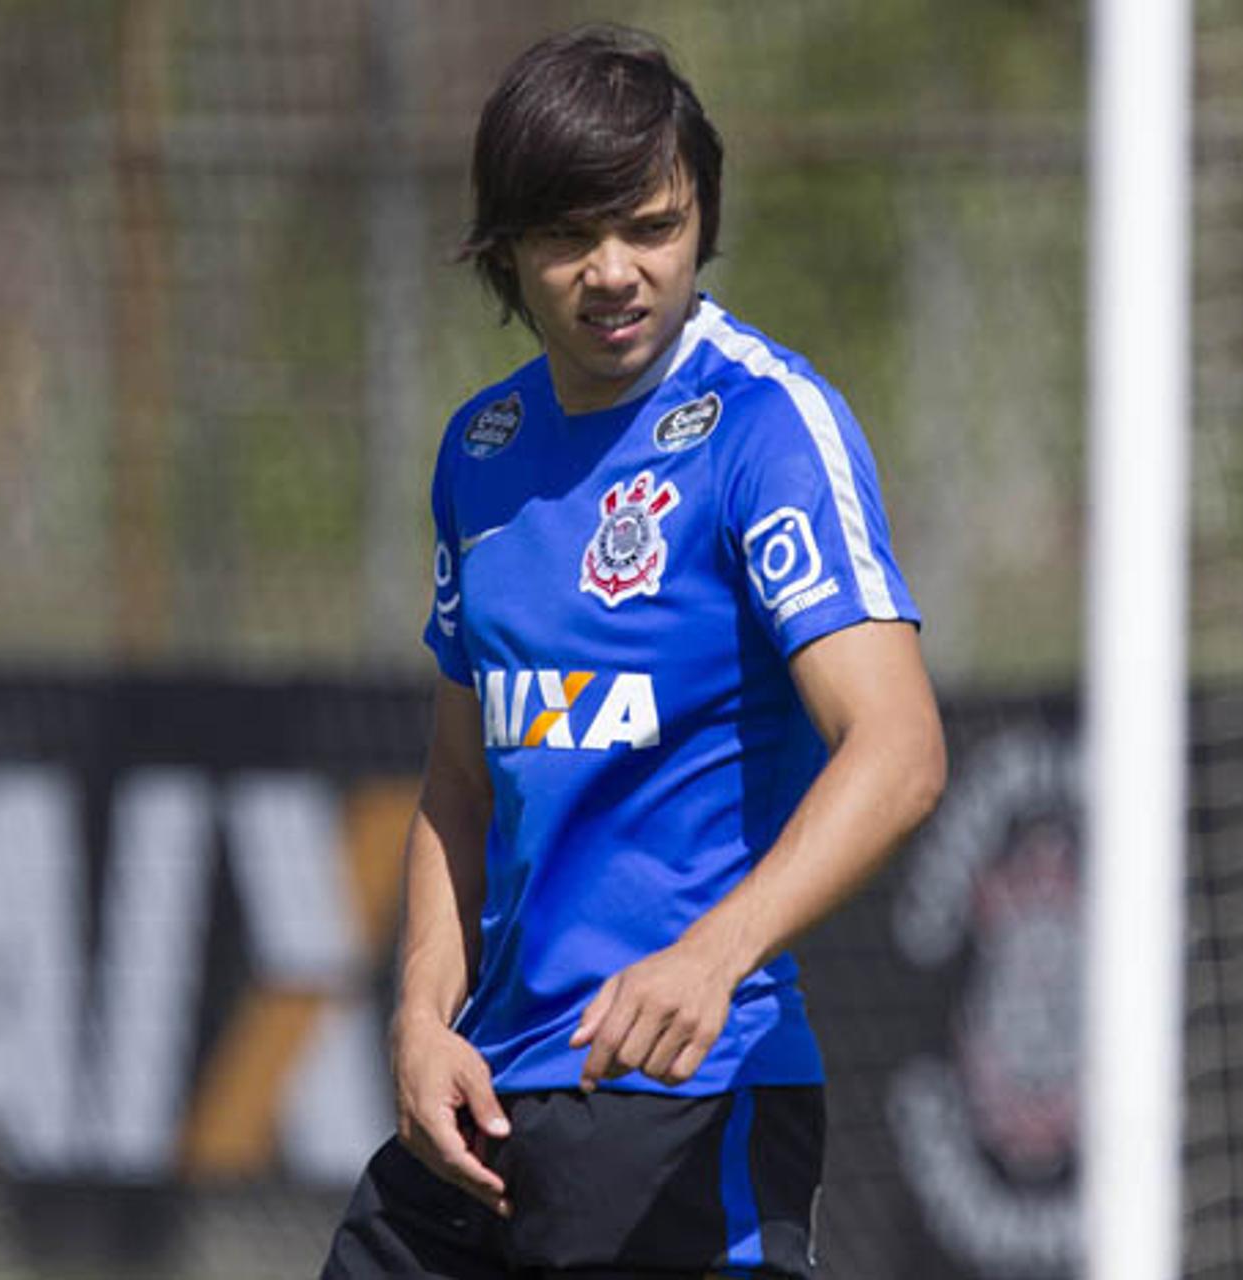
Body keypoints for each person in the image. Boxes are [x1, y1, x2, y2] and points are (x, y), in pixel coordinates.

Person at [322, 23, 945, 1280]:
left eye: (652, 227)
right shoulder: (479, 452)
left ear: (702, 218)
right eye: (570, 236)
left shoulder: (767, 426)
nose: (615, 271)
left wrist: (711, 957)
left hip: (687, 1095)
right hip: (487, 1104)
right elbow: (458, 778)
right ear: (506, 248)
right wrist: (418, 1018)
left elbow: (900, 750)